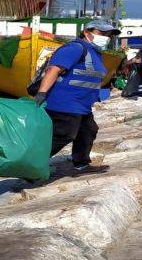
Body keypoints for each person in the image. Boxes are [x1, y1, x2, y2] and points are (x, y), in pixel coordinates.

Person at [33, 20, 119, 173]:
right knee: (64, 134)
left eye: (109, 35)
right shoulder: (75, 47)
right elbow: (54, 70)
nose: (107, 37)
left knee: (88, 130)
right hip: (65, 102)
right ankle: (31, 165)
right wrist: (42, 93)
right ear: (87, 32)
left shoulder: (95, 52)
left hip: (82, 105)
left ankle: (81, 164)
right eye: (102, 33)